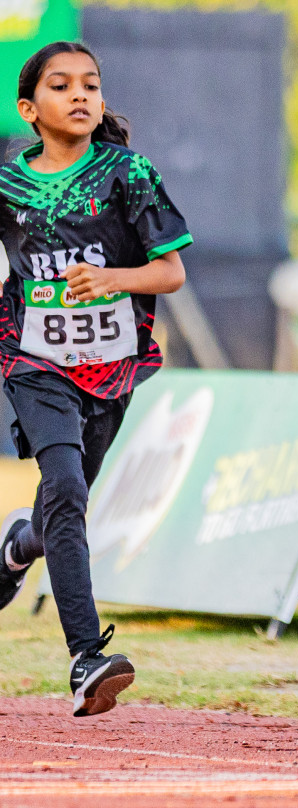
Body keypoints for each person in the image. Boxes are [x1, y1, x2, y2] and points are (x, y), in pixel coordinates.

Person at [0, 41, 192, 716]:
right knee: (67, 488)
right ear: (29, 109)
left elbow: (171, 273)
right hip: (32, 361)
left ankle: (17, 546)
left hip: (111, 367)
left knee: (60, 510)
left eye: (90, 84)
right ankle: (87, 657)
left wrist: (112, 279)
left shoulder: (128, 174)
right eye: (61, 85)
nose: (79, 94)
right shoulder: (8, 185)